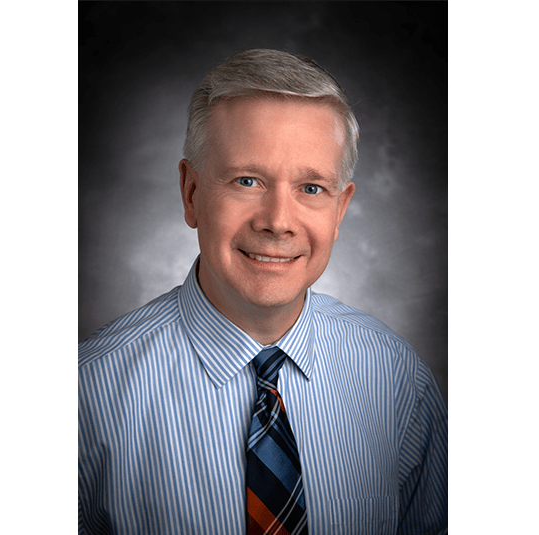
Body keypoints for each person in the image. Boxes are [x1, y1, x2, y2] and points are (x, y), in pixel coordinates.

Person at [78, 49, 447, 535]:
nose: (277, 221)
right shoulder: (87, 396)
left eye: (311, 188)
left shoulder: (396, 378)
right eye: (247, 181)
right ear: (191, 193)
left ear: (340, 210)